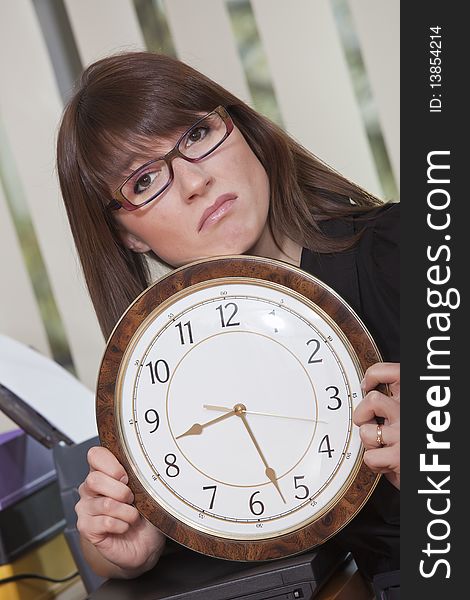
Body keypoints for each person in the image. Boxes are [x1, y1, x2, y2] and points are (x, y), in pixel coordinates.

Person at [56, 51, 400, 592]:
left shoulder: (408, 249)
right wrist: (126, 551)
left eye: (195, 135)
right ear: (129, 238)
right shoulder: (167, 375)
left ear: (241, 128)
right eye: (145, 182)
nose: (194, 182)